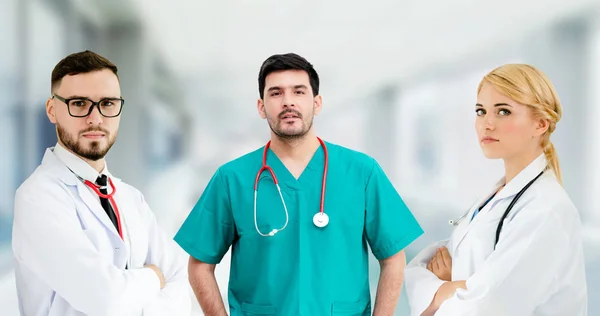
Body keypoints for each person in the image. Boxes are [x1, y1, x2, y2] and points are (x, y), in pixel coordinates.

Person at [174, 53, 424, 315]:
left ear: (316, 103)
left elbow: (394, 257)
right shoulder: (232, 178)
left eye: (299, 92)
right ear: (261, 107)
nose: (288, 102)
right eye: (276, 93)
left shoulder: (362, 172)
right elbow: (200, 265)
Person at [11, 50, 191, 316]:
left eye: (107, 103)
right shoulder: (37, 197)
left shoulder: (131, 199)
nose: (95, 118)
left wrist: (129, 291)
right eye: (79, 103)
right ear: (52, 110)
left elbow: (179, 281)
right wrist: (153, 277)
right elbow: (106, 300)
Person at [404, 63, 588, 316]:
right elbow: (420, 270)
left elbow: (487, 308)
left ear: (541, 124)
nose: (486, 124)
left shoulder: (546, 211)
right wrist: (448, 288)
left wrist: (440, 293)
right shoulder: (497, 196)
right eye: (481, 111)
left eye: (503, 111)